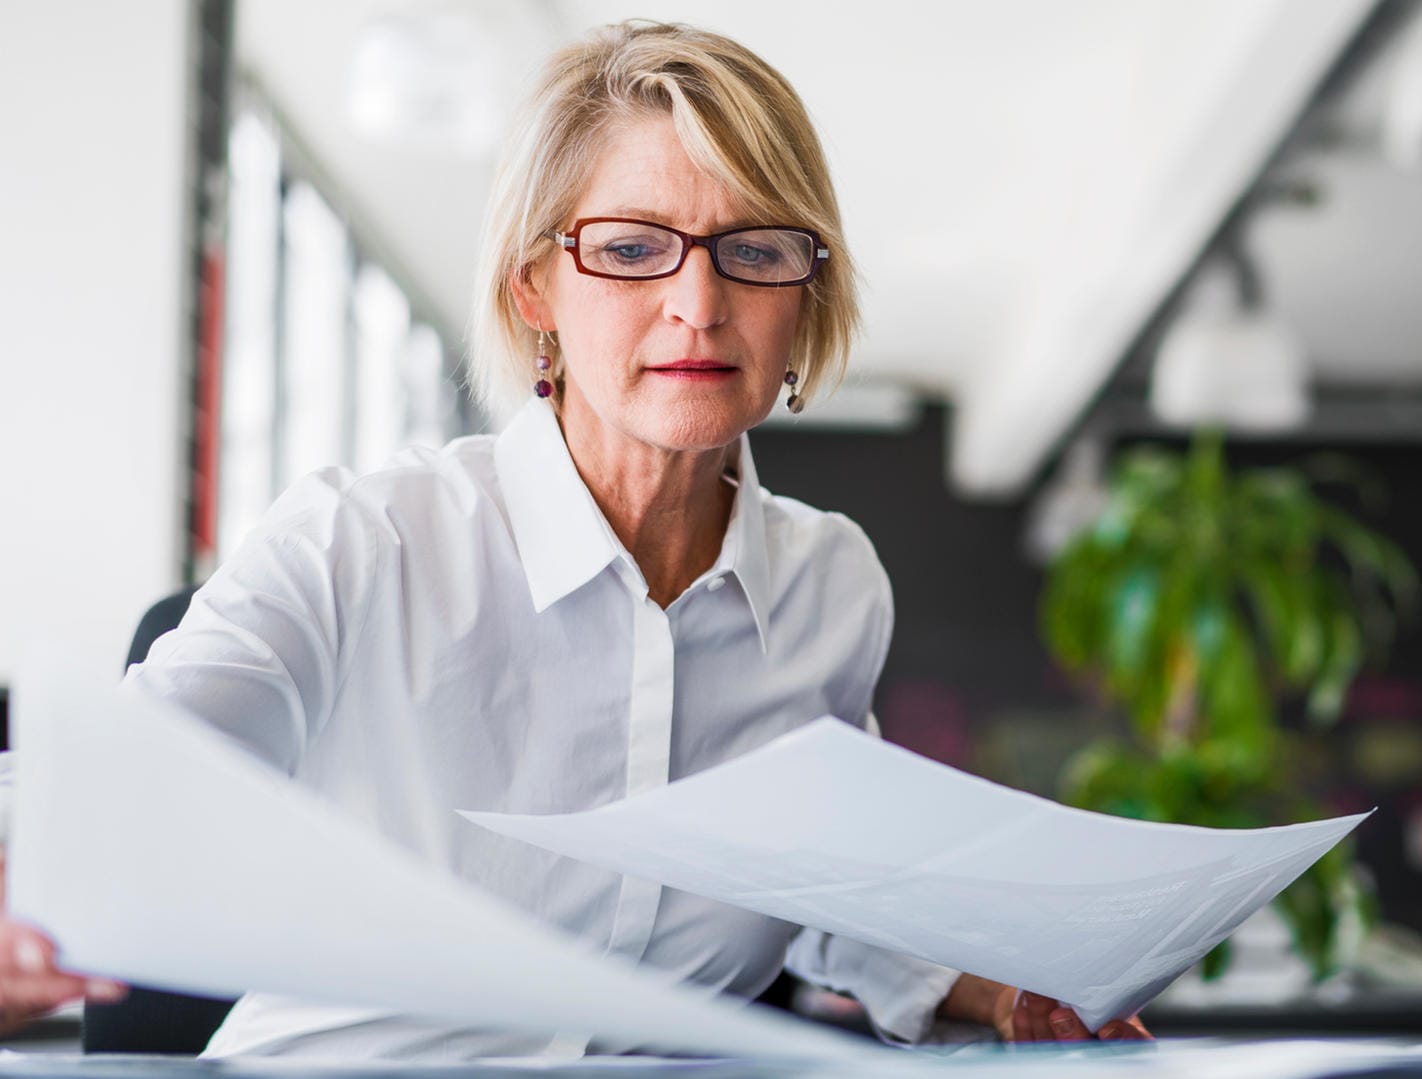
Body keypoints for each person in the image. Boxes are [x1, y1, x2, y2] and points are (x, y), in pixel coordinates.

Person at [0, 21, 1149, 1058]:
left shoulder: (827, 586)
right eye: (635, 248)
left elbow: (814, 881)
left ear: (804, 292)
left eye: (753, 249)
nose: (699, 305)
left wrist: (992, 987)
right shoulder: (365, 545)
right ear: (535, 288)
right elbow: (108, 788)